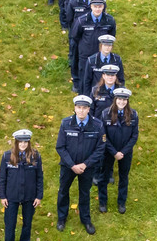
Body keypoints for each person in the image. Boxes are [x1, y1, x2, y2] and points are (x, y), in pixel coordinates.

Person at [57, 94, 104, 233]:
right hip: (68, 166)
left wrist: (85, 164)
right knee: (63, 191)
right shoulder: (66, 124)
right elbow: (60, 147)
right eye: (79, 108)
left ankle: (85, 219)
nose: (81, 111)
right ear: (74, 108)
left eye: (84, 108)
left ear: (89, 109)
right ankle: (61, 217)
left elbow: (100, 148)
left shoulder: (97, 125)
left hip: (87, 168)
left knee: (84, 193)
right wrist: (72, 165)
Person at [0, 129, 44, 241]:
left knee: (27, 223)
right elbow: (2, 178)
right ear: (16, 142)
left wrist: (39, 196)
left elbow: (39, 178)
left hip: (29, 196)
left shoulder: (36, 156)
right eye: (20, 141)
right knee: (10, 223)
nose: (23, 144)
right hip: (11, 196)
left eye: (26, 141)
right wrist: (2, 196)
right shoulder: (7, 156)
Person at [99, 87, 138, 215]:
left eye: (124, 99)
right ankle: (103, 201)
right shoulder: (106, 114)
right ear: (115, 99)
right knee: (104, 176)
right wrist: (114, 152)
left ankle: (121, 202)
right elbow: (103, 136)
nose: (122, 102)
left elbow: (134, 136)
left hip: (125, 153)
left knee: (123, 177)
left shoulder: (133, 115)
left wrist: (123, 152)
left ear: (127, 101)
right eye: (119, 99)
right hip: (108, 151)